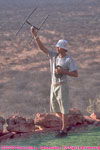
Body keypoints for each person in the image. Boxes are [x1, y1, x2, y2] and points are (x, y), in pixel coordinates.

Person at [30, 27, 78, 137]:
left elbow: (75, 74)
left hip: (62, 86)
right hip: (53, 85)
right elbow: (42, 48)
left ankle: (64, 130)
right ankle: (66, 124)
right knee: (56, 108)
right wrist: (35, 36)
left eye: (58, 47)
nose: (56, 48)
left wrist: (63, 71)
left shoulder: (68, 60)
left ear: (62, 48)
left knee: (64, 108)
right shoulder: (53, 56)